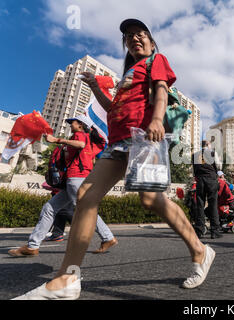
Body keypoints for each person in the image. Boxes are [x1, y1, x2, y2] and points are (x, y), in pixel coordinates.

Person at [13, 19, 214, 300]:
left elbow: (160, 91)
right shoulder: (127, 75)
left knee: (151, 200)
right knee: (85, 195)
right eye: (129, 37)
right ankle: (67, 278)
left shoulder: (156, 60)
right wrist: (96, 87)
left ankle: (200, 250)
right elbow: (112, 108)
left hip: (145, 136)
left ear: (151, 42)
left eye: (140, 35)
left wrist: (156, 119)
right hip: (117, 143)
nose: (134, 39)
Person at [8, 115, 117, 258]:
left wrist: (57, 140)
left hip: (77, 178)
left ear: (81, 125)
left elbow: (80, 145)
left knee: (84, 210)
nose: (70, 124)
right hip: (74, 180)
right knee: (49, 208)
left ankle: (108, 237)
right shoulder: (84, 139)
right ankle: (32, 246)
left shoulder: (80, 135)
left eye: (73, 122)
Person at [192, 140, 222, 239]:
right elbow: (218, 166)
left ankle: (199, 231)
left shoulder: (195, 155)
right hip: (211, 179)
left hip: (200, 180)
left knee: (200, 205)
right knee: (213, 204)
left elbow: (194, 169)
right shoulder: (213, 153)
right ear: (208, 145)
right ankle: (215, 231)